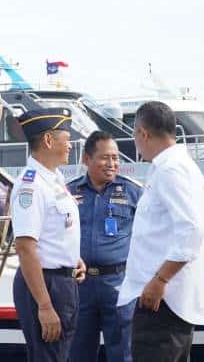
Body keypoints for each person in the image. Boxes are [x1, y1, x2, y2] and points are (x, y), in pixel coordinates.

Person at [116, 101, 204, 361]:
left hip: (161, 303)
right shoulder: (178, 166)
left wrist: (160, 280)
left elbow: (191, 230)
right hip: (168, 302)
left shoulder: (171, 170)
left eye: (134, 134)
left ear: (143, 133)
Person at [10, 108, 86, 362]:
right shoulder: (31, 185)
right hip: (46, 285)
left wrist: (73, 259)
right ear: (48, 141)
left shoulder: (53, 179)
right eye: (66, 140)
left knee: (59, 355)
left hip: (63, 282)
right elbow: (25, 248)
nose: (70, 147)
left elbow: (55, 230)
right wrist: (44, 305)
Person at [67, 131, 142, 362]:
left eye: (116, 158)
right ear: (86, 159)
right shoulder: (68, 192)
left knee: (123, 355)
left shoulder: (134, 193)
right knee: (78, 354)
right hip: (80, 286)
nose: (112, 164)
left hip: (118, 285)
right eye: (104, 158)